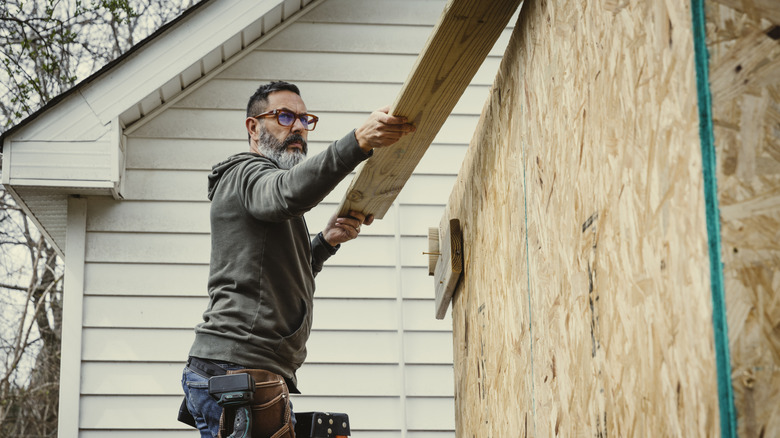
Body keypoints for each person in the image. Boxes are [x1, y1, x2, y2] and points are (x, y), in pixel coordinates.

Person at [179, 81, 415, 437]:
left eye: (305, 119)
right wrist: (357, 142)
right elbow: (287, 192)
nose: (299, 127)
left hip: (245, 368)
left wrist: (324, 242)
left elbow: (281, 272)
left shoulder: (265, 189)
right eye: (285, 116)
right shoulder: (245, 174)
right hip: (237, 368)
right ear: (253, 127)